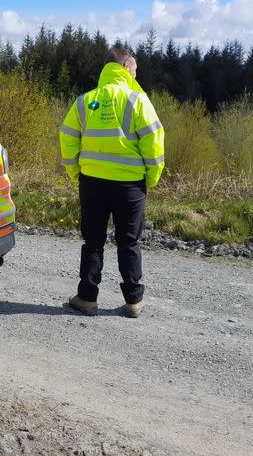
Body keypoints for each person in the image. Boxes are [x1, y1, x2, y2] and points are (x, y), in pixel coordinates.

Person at [59, 49, 165, 318]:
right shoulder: (137, 101)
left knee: (93, 242)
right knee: (128, 242)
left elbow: (68, 137)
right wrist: (149, 179)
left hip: (92, 183)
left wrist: (76, 173)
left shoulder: (86, 101)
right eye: (136, 70)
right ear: (127, 68)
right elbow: (154, 143)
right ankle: (134, 301)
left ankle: (86, 298)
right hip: (129, 186)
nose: (136, 75)